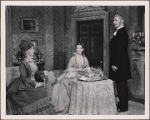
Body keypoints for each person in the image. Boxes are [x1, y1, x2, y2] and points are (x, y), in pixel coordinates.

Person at [6, 40, 55, 115]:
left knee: (44, 92)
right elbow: (23, 78)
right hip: (25, 84)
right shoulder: (23, 63)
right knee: (39, 94)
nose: (33, 50)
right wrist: (35, 84)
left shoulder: (33, 61)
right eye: (32, 49)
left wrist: (43, 72)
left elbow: (35, 74)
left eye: (33, 49)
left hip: (32, 82)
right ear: (26, 51)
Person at [51, 43, 91, 114]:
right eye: (77, 48)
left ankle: (80, 106)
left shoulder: (85, 58)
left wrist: (86, 70)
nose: (78, 49)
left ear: (83, 49)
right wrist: (78, 70)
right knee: (66, 82)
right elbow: (69, 68)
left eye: (79, 48)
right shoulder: (73, 58)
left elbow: (87, 67)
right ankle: (68, 106)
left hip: (82, 75)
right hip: (74, 74)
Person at [109, 14, 131, 112]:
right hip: (120, 63)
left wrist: (116, 64)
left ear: (122, 20)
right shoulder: (119, 32)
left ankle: (123, 106)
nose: (114, 22)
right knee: (120, 84)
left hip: (120, 64)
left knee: (121, 85)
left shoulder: (122, 32)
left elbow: (121, 50)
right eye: (113, 20)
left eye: (116, 20)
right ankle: (122, 104)